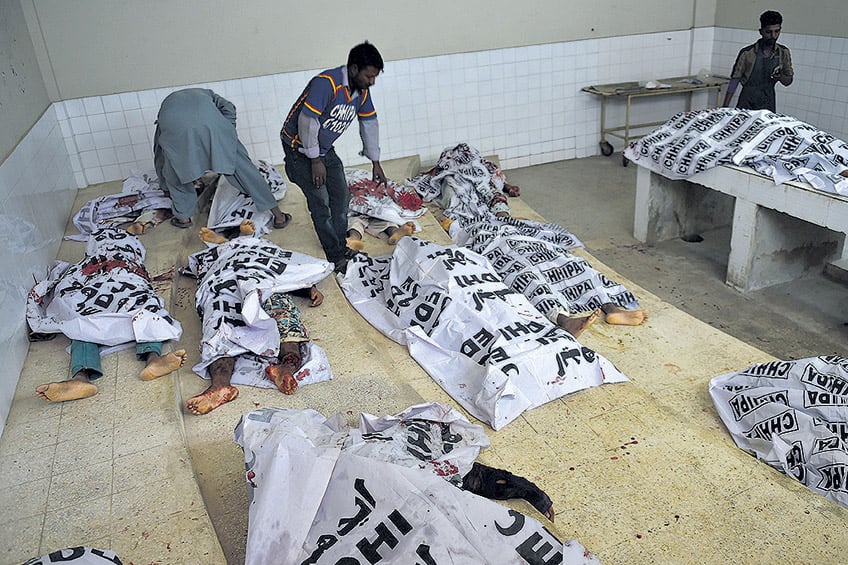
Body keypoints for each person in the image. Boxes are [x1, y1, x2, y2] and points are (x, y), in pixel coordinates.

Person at [187, 221, 332, 415]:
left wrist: (308, 288)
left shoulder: (263, 246)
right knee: (220, 327)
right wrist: (222, 246)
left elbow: (286, 269)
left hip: (264, 284)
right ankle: (220, 386)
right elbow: (205, 272)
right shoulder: (217, 253)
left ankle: (286, 368)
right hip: (227, 287)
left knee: (285, 318)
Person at [28, 228, 186, 402]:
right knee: (143, 313)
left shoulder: (130, 261)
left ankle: (82, 376)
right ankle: (151, 358)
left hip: (122, 288)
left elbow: (136, 280)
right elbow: (72, 281)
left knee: (87, 323)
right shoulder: (96, 261)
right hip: (103, 293)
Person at [281, 41, 388, 273]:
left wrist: (375, 162)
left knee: (341, 197)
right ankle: (335, 255)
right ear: (353, 69)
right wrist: (315, 160)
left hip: (324, 149)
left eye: (375, 77)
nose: (372, 82)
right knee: (321, 202)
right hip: (299, 150)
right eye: (369, 76)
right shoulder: (326, 83)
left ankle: (340, 246)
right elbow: (307, 122)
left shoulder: (361, 92)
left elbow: (369, 123)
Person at [154, 88, 292, 229]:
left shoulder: (167, 108)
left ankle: (183, 219)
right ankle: (279, 217)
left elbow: (159, 155)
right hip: (215, 128)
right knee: (247, 172)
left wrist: (165, 187)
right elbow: (229, 108)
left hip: (176, 131)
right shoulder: (207, 94)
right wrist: (227, 131)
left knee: (176, 173)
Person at [722, 10, 793, 112]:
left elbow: (788, 81)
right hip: (746, 101)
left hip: (768, 102)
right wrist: (724, 108)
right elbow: (734, 81)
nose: (773, 36)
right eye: (768, 32)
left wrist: (780, 77)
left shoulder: (783, 52)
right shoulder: (747, 53)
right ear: (761, 31)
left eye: (777, 31)